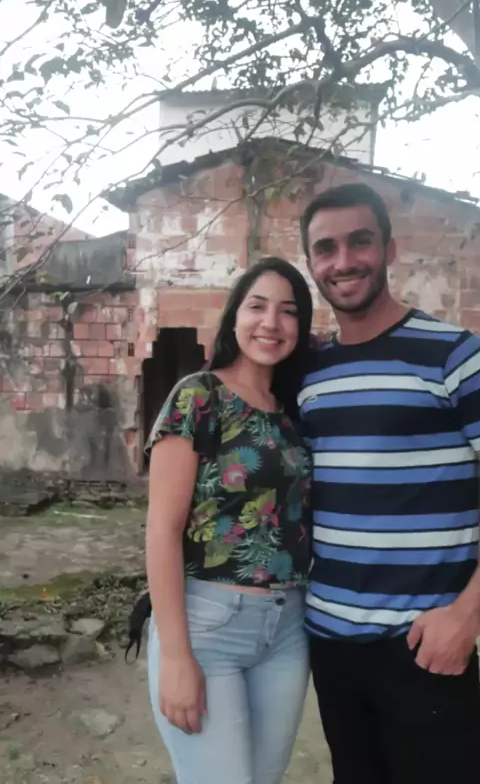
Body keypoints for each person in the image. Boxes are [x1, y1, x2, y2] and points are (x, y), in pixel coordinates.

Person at [298, 182, 480, 784]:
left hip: (425, 646)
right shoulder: (311, 372)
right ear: (311, 264)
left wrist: (467, 616)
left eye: (360, 241)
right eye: (326, 248)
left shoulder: (455, 356)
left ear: (390, 250)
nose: (343, 260)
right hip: (330, 643)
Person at [145, 257, 313, 784]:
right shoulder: (199, 396)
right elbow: (161, 530)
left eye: (288, 311)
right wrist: (177, 658)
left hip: (287, 629)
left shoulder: (293, 411)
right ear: (234, 315)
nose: (271, 323)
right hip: (208, 625)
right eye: (257, 306)